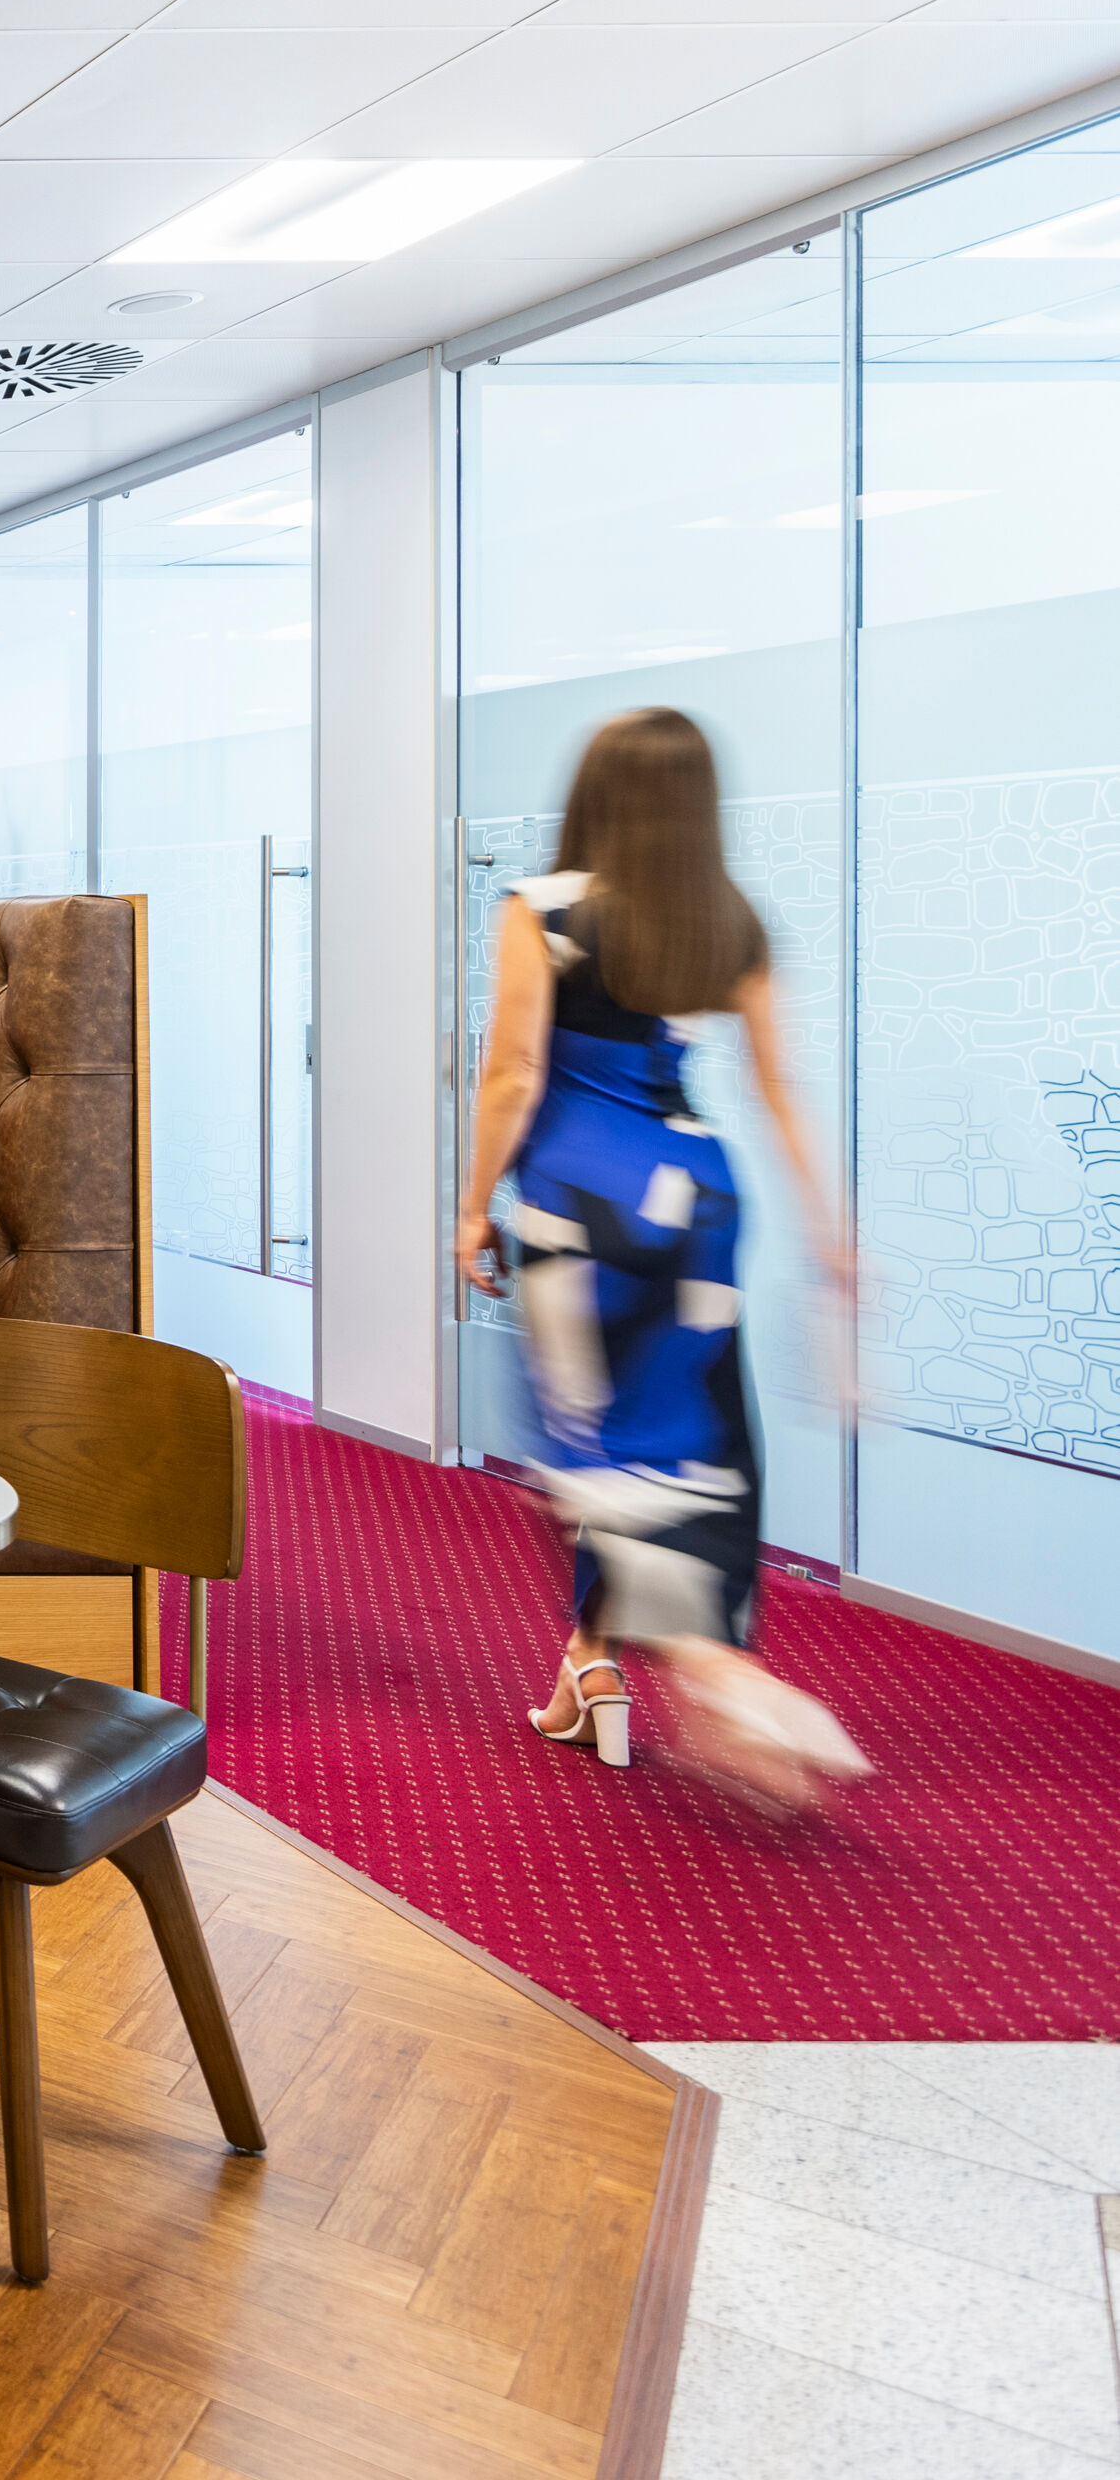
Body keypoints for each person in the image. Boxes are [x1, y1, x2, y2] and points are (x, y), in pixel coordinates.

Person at [458, 707, 868, 1809]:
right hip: (697, 1203)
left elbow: (511, 1076)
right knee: (680, 1431)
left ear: (595, 792)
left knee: (590, 1445)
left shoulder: (542, 910)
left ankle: (715, 1671)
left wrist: (466, 1207)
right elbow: (780, 1088)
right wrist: (832, 1230)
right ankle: (589, 1671)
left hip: (578, 1204)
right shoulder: (730, 923)